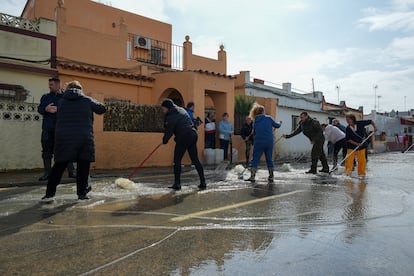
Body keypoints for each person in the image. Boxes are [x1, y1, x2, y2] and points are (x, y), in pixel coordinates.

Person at [41, 80, 106, 202]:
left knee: (58, 167)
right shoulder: (87, 100)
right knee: (83, 166)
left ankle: (49, 194)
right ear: (80, 89)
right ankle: (82, 195)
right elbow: (102, 109)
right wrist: (92, 100)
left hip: (63, 138)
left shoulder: (61, 102)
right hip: (83, 138)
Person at [161, 98, 206, 190]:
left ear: (167, 107)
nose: (163, 110)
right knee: (195, 159)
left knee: (177, 160)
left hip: (184, 136)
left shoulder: (171, 115)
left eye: (163, 108)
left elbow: (169, 130)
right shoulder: (181, 109)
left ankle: (177, 184)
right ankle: (203, 182)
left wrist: (165, 140)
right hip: (193, 134)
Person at [37, 77, 75, 181]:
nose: (49, 86)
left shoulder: (65, 97)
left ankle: (71, 172)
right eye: (49, 85)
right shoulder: (45, 97)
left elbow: (72, 110)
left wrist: (60, 109)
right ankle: (47, 173)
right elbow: (39, 109)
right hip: (47, 129)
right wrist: (46, 108)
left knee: (66, 151)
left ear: (59, 85)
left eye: (52, 85)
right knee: (46, 152)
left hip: (62, 129)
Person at [247, 104, 281, 183]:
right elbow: (277, 125)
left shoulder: (255, 121)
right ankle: (271, 176)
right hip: (269, 141)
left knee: (255, 158)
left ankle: (252, 176)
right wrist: (280, 123)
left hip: (258, 141)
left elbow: (254, 132)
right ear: (263, 111)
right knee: (269, 158)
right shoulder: (268, 118)